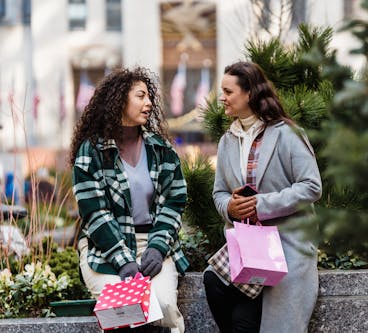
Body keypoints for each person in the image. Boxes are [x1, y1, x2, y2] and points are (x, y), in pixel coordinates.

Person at [203, 61, 322, 332]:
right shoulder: (227, 140)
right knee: (213, 281)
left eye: (228, 91)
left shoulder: (287, 134)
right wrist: (231, 209)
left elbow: (311, 186)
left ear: (249, 93)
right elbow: (219, 192)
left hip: (286, 245)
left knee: (250, 323)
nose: (222, 98)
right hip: (248, 247)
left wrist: (261, 205)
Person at [70, 67, 188, 333]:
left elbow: (174, 201)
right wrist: (123, 261)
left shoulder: (161, 149)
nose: (148, 103)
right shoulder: (91, 152)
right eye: (140, 96)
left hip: (153, 244)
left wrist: (158, 248)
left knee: (164, 308)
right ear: (119, 100)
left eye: (149, 97)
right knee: (123, 313)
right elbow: (94, 213)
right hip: (106, 248)